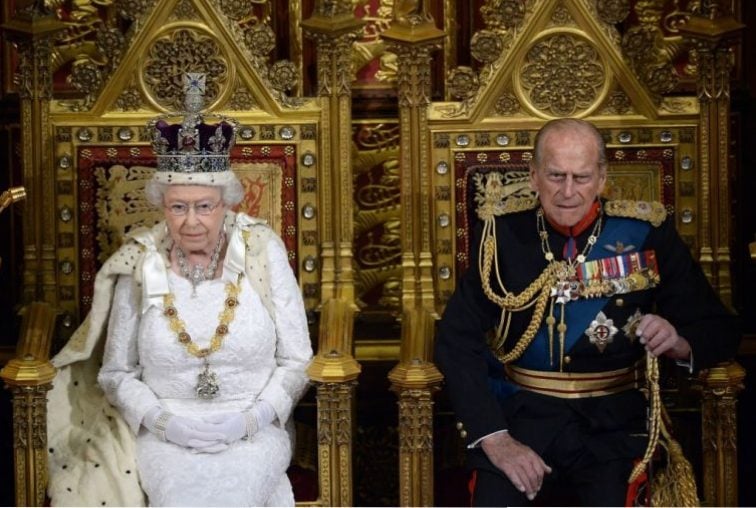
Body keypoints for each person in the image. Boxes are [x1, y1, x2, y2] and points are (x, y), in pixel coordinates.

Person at [434, 118, 740, 506]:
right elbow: (455, 340)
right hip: (522, 419)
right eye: (555, 175)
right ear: (533, 176)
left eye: (580, 177)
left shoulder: (644, 233)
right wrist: (495, 437)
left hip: (613, 426)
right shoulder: (500, 236)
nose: (567, 192)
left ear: (601, 178)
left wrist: (678, 342)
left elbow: (719, 329)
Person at [46, 74, 313, 506]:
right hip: (165, 437)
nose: (192, 221)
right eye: (178, 207)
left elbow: (298, 359)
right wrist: (165, 423)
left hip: (252, 433)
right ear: (162, 206)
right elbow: (116, 373)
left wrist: (250, 421)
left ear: (227, 203)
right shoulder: (143, 262)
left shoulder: (262, 252)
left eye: (204, 206)